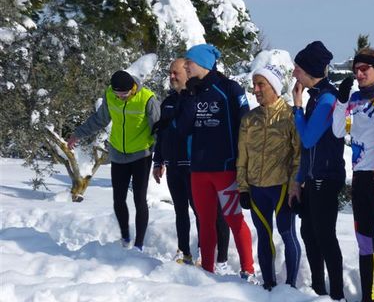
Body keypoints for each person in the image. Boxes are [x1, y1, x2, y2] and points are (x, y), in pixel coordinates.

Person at [177, 43, 254, 279]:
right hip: (199, 170)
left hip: (225, 168)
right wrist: (190, 96)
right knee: (205, 221)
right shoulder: (192, 91)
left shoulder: (229, 88)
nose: (186, 66)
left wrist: (243, 162)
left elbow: (245, 123)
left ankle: (248, 270)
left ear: (201, 63)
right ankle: (207, 271)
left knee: (233, 219)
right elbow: (183, 129)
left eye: (189, 62)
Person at [67, 70, 160, 251]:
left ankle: (139, 244)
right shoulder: (110, 95)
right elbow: (99, 120)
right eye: (118, 94)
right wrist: (77, 134)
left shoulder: (147, 98)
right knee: (118, 199)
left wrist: (161, 157)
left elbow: (158, 128)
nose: (121, 97)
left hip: (142, 154)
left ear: (132, 88)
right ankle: (125, 237)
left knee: (139, 199)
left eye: (124, 94)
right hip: (118, 154)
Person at [152, 58, 230, 266]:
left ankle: (214, 257)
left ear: (188, 73)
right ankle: (184, 252)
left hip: (197, 166)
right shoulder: (168, 102)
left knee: (205, 213)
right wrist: (158, 161)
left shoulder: (198, 99)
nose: (172, 76)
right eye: (170, 73)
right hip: (174, 165)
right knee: (180, 211)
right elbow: (162, 134)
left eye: (176, 73)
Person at [332, 48, 374, 302]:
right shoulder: (354, 99)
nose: (360, 74)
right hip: (359, 179)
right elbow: (336, 131)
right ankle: (368, 299)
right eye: (356, 69)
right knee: (364, 241)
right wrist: (342, 101)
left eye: (365, 69)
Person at [237, 64, 302, 290]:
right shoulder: (249, 119)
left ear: (274, 86)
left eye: (261, 84)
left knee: (287, 233)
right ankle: (269, 284)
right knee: (264, 236)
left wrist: (295, 185)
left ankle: (291, 287)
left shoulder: (290, 116)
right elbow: (242, 157)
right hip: (256, 189)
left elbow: (298, 155)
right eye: (254, 85)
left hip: (282, 187)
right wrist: (243, 188)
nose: (255, 89)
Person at [291, 40, 346, 301]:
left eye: (297, 69)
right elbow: (307, 150)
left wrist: (297, 106)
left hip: (327, 176)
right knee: (309, 234)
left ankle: (335, 294)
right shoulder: (317, 98)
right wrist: (299, 179)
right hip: (314, 177)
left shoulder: (326, 99)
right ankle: (318, 289)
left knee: (324, 236)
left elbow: (308, 139)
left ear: (310, 70)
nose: (294, 74)